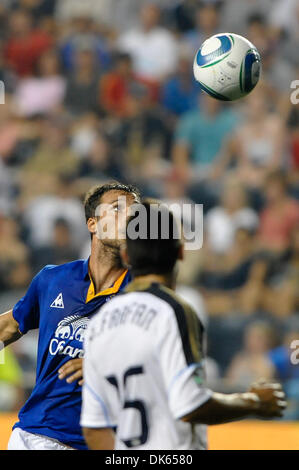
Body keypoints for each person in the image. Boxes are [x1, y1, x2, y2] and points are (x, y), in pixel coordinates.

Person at [81, 201, 286, 450]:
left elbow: (93, 429)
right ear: (180, 252)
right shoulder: (174, 310)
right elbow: (191, 405)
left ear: (126, 256)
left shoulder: (99, 321)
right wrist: (254, 401)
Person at [0, 181, 140, 450]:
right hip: (34, 435)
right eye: (117, 209)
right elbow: (9, 326)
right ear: (92, 224)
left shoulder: (144, 293)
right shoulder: (52, 279)